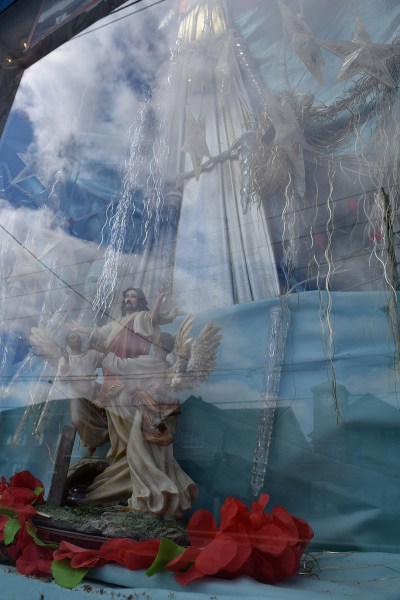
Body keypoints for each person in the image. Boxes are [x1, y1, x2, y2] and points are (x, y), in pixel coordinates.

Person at [66, 287, 197, 519]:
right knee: (120, 435)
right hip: (115, 382)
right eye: (126, 297)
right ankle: (123, 465)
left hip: (128, 386)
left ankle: (131, 476)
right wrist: (81, 328)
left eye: (133, 297)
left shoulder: (141, 322)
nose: (128, 300)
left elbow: (151, 319)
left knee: (133, 442)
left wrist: (158, 299)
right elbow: (99, 332)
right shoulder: (118, 323)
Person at [56, 331, 108, 458]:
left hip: (93, 392)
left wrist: (100, 344)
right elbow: (63, 380)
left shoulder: (91, 354)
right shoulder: (64, 359)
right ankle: (93, 443)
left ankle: (96, 445)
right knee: (77, 419)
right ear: (67, 342)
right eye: (73, 337)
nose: (77, 339)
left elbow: (107, 359)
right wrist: (66, 361)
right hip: (77, 396)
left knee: (101, 416)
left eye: (78, 337)